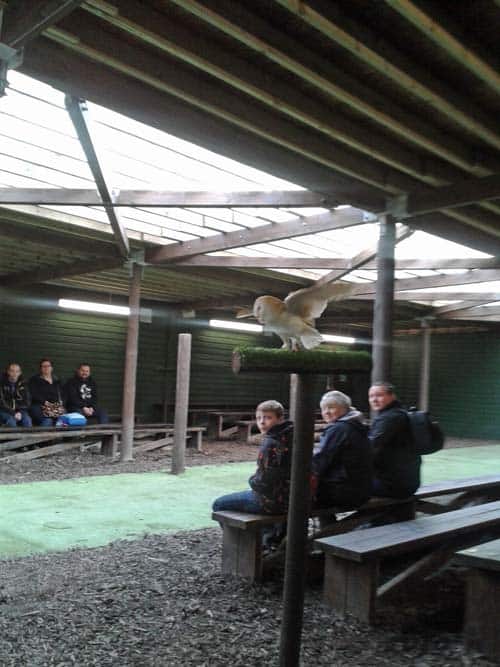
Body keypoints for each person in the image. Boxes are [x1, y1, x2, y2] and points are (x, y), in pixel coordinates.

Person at [212, 400, 294, 514]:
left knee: (218, 504)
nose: (262, 422)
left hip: (275, 501)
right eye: (258, 418)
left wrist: (252, 481)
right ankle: (270, 530)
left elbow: (264, 482)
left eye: (268, 418)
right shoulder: (292, 434)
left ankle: (260, 531)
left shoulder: (273, 442)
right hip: (294, 497)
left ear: (280, 418)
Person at [312, 391, 372, 510]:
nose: (326, 412)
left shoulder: (339, 429)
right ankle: (329, 526)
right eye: (323, 409)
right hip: (362, 489)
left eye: (331, 408)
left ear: (344, 408)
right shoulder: (357, 424)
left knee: (293, 500)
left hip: (343, 492)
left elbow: (320, 460)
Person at [368, 382, 421, 498]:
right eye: (371, 396)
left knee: (339, 486)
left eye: (379, 395)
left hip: (392, 485)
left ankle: (328, 516)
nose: (374, 399)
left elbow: (370, 449)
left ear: (392, 396)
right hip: (408, 483)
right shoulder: (400, 413)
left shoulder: (390, 418)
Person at [29, 359, 66, 426]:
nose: (46, 368)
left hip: (54, 406)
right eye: (44, 366)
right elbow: (34, 394)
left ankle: (59, 435)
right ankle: (44, 435)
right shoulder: (34, 380)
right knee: (48, 420)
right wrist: (45, 402)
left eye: (48, 366)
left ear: (52, 368)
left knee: (64, 418)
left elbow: (63, 394)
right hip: (39, 406)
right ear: (40, 368)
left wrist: (61, 402)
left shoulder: (57, 380)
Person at [0, 362, 32, 427]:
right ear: (8, 372)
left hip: (20, 411)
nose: (14, 374)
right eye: (12, 371)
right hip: (5, 410)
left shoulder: (24, 384)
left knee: (27, 420)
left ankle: (27, 437)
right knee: (11, 421)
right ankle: (14, 437)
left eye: (17, 371)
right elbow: (1, 402)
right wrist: (13, 413)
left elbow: (27, 401)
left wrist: (20, 412)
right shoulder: (2, 383)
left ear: (20, 373)